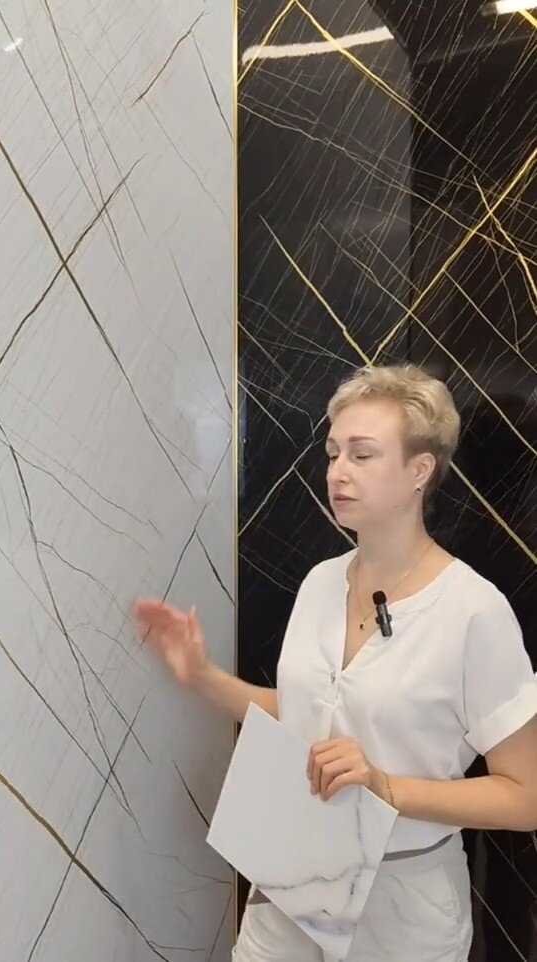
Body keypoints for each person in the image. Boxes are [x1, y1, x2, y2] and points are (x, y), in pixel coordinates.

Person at [134, 365, 537, 962]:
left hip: (402, 903)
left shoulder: (473, 611)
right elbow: (307, 712)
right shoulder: (320, 583)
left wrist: (383, 786)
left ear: (420, 470)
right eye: (333, 453)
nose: (338, 471)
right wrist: (201, 676)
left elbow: (524, 797)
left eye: (363, 454)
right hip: (294, 870)